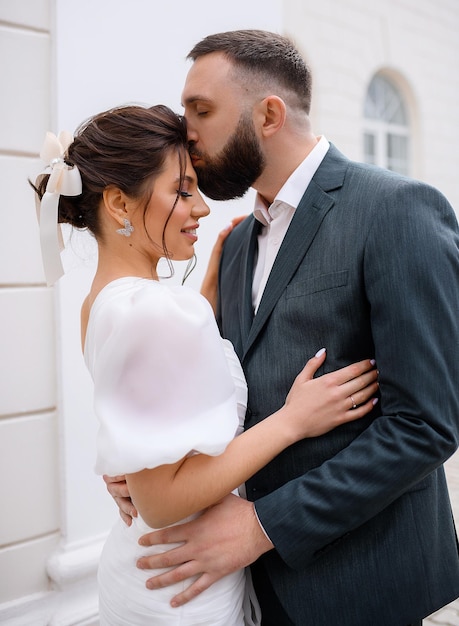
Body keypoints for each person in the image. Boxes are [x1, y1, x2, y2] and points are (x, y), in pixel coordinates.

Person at [106, 30, 459, 626]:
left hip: (363, 587)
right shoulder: (237, 242)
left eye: (203, 110)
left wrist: (263, 526)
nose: (185, 129)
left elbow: (425, 425)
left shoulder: (398, 210)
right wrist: (152, 466)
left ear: (268, 114)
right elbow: (224, 395)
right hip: (249, 591)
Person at [32, 103, 379, 625]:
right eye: (182, 190)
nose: (201, 209)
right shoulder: (156, 311)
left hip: (154, 566)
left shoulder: (103, 302)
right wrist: (292, 421)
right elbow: (160, 500)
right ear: (119, 204)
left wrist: (207, 295)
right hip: (179, 585)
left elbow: (159, 407)